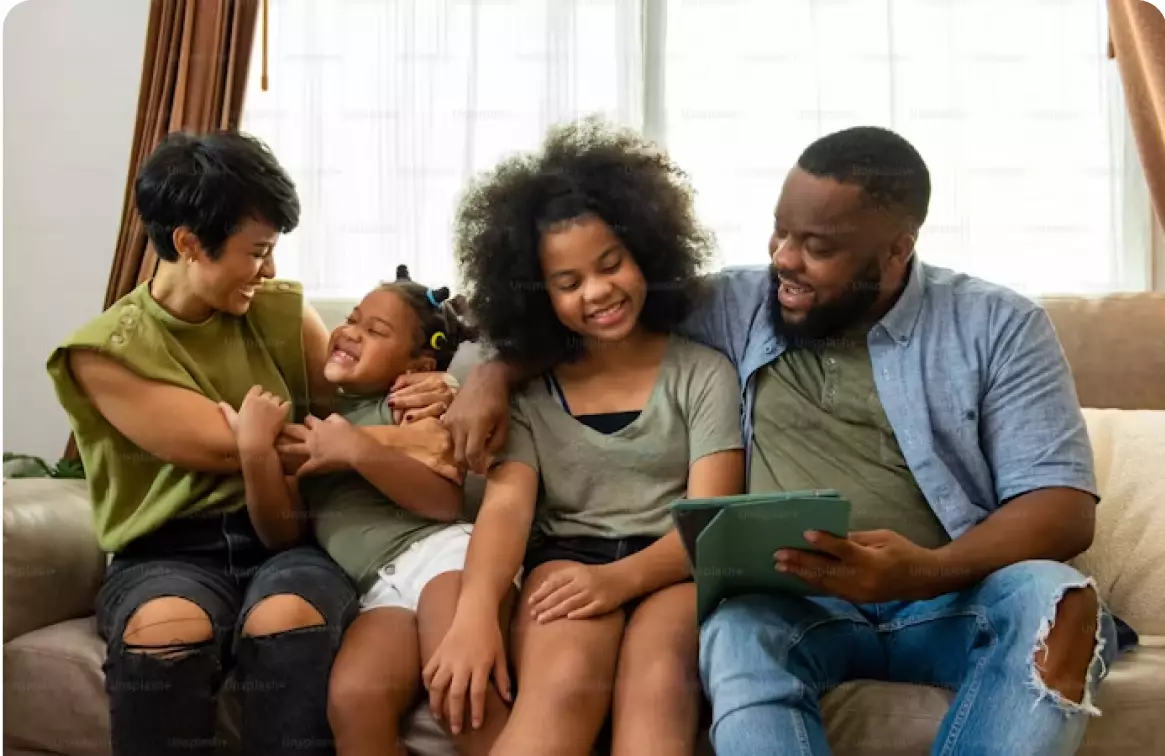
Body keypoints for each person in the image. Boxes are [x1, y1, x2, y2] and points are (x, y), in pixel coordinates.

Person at [443, 125, 1133, 755]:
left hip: (950, 594)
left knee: (1060, 600)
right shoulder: (739, 302)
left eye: (817, 247)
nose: (784, 261)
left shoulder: (999, 326)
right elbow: (598, 320)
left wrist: (920, 570)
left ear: (897, 249)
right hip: (792, 602)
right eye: (778, 233)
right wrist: (491, 375)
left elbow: (1062, 508)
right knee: (736, 633)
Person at [46, 130, 457, 756]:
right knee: (165, 631)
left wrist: (444, 392)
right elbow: (227, 448)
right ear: (189, 243)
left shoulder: (284, 312)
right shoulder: (104, 352)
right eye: (257, 251)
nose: (269, 270)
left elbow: (356, 404)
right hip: (169, 550)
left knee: (288, 618)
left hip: (292, 536)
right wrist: (395, 444)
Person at [422, 118, 745, 756]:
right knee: (563, 683)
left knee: (658, 681)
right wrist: (476, 613)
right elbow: (507, 507)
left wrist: (621, 581)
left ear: (646, 252)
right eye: (568, 284)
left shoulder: (702, 372)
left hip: (672, 566)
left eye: (610, 265)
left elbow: (711, 525)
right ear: (540, 294)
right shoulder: (530, 390)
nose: (597, 292)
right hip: (566, 561)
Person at [225, 264, 504, 756]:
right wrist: (256, 455)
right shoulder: (316, 422)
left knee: (458, 688)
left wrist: (358, 450)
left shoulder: (410, 405)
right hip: (378, 587)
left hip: (446, 559)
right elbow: (279, 534)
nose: (351, 332)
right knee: (353, 700)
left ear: (417, 366)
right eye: (353, 319)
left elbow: (442, 503)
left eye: (375, 330)